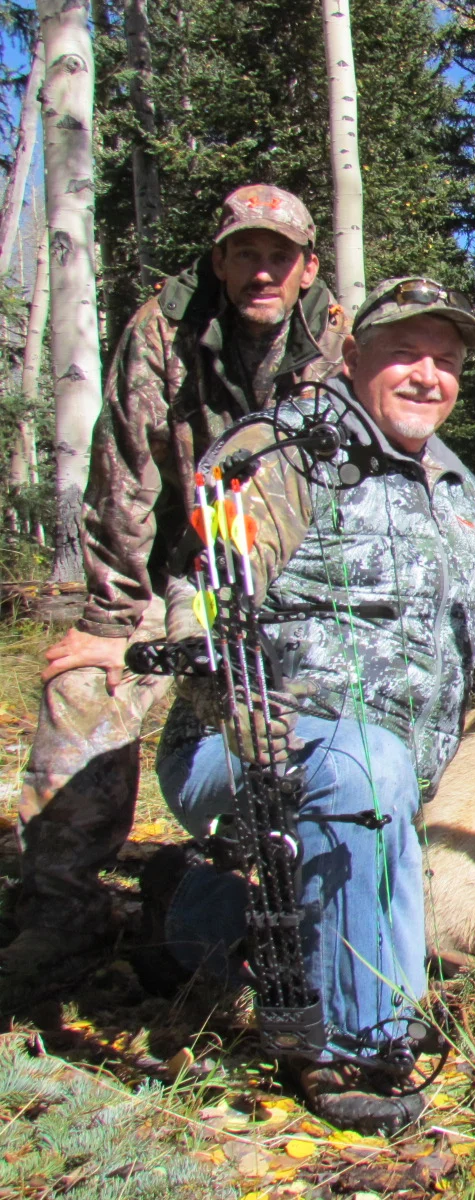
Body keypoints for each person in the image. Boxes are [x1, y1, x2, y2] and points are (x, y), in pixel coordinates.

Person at [143, 277, 475, 1135]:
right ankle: (363, 1047)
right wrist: (225, 686)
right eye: (404, 353)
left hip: (394, 771)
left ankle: (194, 912)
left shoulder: (456, 488)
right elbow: (205, 590)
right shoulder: (281, 452)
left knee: (393, 840)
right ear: (352, 355)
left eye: (447, 360)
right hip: (244, 742)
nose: (428, 375)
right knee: (365, 769)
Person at [4, 186, 349, 982]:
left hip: (286, 583)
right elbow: (124, 477)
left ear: (306, 268)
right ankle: (62, 916)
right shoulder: (162, 328)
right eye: (245, 254)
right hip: (171, 569)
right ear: (220, 260)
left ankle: (288, 900)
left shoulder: (333, 342)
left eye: (279, 257)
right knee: (85, 688)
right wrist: (114, 617)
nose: (262, 272)